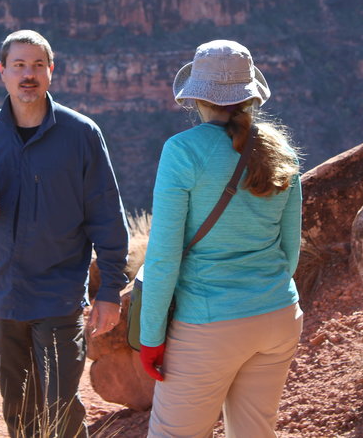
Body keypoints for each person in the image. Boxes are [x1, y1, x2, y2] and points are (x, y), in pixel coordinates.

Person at [0, 29, 129, 438]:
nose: (28, 74)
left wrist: (109, 291)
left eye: (37, 65)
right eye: (19, 65)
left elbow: (107, 215)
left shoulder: (81, 134)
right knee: (18, 411)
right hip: (5, 295)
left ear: (52, 71)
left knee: (61, 410)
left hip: (59, 296)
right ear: (2, 72)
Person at [138, 39, 303, 438]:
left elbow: (163, 256)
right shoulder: (281, 151)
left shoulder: (182, 151)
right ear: (249, 96)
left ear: (196, 96)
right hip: (278, 315)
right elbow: (290, 249)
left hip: (208, 324)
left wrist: (150, 338)